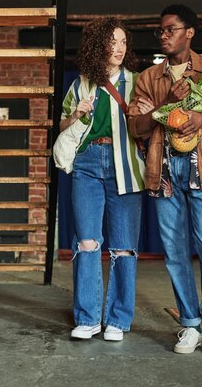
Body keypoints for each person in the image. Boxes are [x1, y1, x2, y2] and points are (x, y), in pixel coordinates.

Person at [127, 4, 202, 354]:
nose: (164, 35)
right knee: (174, 250)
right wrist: (167, 102)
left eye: (170, 29)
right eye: (161, 31)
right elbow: (135, 125)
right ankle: (190, 323)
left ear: (189, 32)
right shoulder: (150, 78)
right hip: (165, 170)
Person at [61, 17, 146, 341]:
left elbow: (151, 125)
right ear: (99, 46)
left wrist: (149, 112)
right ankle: (86, 318)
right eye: (113, 42)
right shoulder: (82, 84)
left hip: (125, 166)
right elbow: (61, 127)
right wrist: (77, 114)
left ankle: (118, 321)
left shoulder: (138, 82)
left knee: (124, 248)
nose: (120, 48)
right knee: (87, 242)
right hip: (86, 164)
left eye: (124, 42)